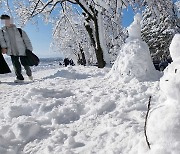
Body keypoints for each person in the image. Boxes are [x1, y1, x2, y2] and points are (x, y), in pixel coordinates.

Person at [0, 14, 33, 83]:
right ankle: (19, 78)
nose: (6, 22)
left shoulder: (19, 30)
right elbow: (2, 40)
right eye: (4, 20)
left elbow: (26, 40)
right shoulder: (2, 31)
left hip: (22, 50)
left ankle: (29, 74)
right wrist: (4, 47)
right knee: (16, 64)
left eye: (7, 20)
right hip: (12, 50)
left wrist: (29, 49)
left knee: (25, 64)